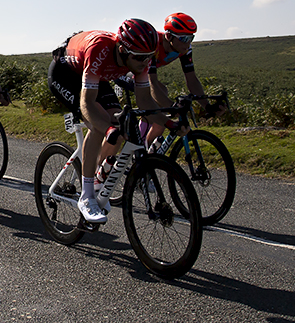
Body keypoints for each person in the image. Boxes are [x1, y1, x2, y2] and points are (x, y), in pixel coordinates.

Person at [48, 19, 160, 223]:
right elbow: (87, 103)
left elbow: (145, 101)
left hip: (94, 75)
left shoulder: (140, 57)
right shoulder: (100, 48)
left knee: (118, 122)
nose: (145, 62)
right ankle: (87, 196)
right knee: (99, 126)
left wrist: (170, 123)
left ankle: (99, 176)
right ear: (122, 49)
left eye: (149, 57)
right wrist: (105, 128)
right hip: (65, 75)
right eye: (139, 57)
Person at [145, 12, 218, 145]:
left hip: (143, 75)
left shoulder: (185, 49)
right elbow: (153, 84)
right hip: (126, 74)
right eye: (184, 38)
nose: (188, 42)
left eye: (191, 38)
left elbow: (191, 79)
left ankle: (147, 151)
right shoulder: (153, 44)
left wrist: (207, 106)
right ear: (169, 36)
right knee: (160, 94)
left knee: (162, 117)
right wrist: (173, 107)